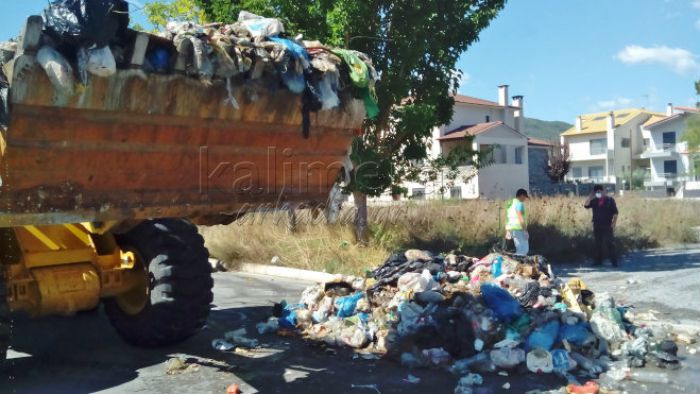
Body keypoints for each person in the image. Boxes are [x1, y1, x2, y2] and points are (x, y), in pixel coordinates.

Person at [584, 185, 619, 266]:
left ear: (604, 191)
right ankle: (598, 261)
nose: (598, 193)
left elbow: (616, 213)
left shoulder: (610, 200)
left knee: (610, 243)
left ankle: (614, 261)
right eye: (596, 192)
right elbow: (586, 206)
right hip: (597, 225)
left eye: (600, 191)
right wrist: (590, 196)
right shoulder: (594, 201)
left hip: (607, 225)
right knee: (598, 244)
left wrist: (614, 224)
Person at [505, 188, 529, 255]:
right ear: (521, 195)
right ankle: (518, 263)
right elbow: (520, 217)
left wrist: (507, 230)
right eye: (525, 197)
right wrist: (525, 231)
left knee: (519, 249)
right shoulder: (519, 204)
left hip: (511, 230)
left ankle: (515, 261)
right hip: (519, 229)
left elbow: (507, 217)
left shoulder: (510, 204)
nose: (525, 199)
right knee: (524, 250)